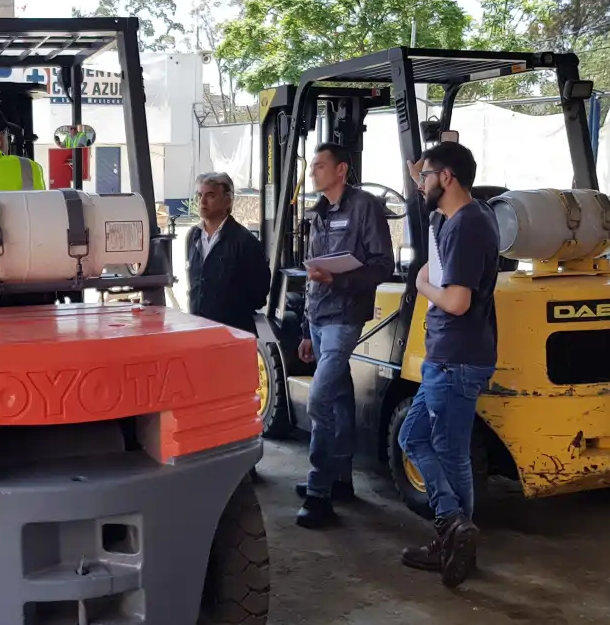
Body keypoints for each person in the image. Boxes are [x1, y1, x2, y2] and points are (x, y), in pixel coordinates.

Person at [397, 141, 498, 588]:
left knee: (450, 452)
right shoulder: (454, 219)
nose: (421, 185)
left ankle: (455, 532)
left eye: (426, 177)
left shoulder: (468, 226)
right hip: (448, 356)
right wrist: (417, 169)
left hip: (457, 357)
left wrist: (422, 283)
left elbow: (456, 301)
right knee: (412, 436)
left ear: (448, 177)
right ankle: (456, 532)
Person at [294, 143, 395, 530]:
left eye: (320, 165)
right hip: (319, 317)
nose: (314, 172)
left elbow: (382, 264)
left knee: (319, 398)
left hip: (345, 316)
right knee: (337, 399)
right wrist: (305, 328)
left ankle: (319, 493)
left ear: (341, 170)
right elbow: (311, 276)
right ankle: (341, 480)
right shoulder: (317, 214)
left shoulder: (363, 207)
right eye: (312, 166)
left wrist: (338, 278)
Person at [185, 172, 270, 334]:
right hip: (198, 329)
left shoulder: (245, 241)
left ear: (227, 200)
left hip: (233, 331)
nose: (202, 202)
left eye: (210, 196)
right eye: (199, 195)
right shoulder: (193, 236)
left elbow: (259, 292)